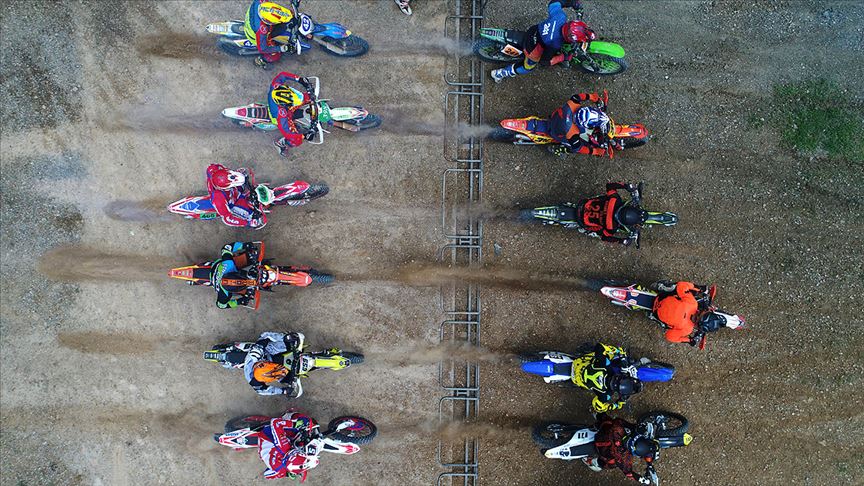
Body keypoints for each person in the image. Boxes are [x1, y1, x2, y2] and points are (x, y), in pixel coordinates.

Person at [491, 0, 593, 82]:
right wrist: (564, 57)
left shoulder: (560, 17)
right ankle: (500, 73)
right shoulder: (555, 43)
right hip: (532, 49)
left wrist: (573, 3)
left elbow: (554, 3)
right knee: (528, 67)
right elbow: (545, 61)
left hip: (533, 31)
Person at [582, 413, 659, 484]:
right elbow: (629, 473)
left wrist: (634, 427)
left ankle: (597, 413)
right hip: (601, 450)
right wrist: (642, 480)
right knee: (612, 464)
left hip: (602, 434)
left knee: (607, 420)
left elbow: (618, 420)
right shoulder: (624, 457)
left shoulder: (619, 429)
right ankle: (593, 462)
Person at [559, 182, 643, 245]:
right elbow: (605, 238)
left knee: (603, 199)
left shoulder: (615, 200)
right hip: (583, 222)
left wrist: (625, 186)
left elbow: (609, 185)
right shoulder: (611, 228)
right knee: (599, 232)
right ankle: (588, 232)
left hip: (584, 205)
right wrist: (621, 241)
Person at [571, 343, 645, 413]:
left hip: (578, 363)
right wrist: (616, 405)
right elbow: (598, 407)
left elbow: (599, 347)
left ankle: (584, 350)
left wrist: (619, 352)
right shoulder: (606, 395)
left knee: (608, 355)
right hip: (576, 380)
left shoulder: (606, 366)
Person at [244, 1, 312, 68]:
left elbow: (278, 11)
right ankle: (262, 60)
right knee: (275, 55)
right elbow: (263, 49)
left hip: (252, 17)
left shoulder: (260, 2)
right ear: (268, 22)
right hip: (252, 34)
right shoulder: (263, 29)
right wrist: (282, 48)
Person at [257, 411, 321, 480]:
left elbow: (275, 422)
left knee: (304, 421)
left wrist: (295, 424)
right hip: (263, 453)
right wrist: (286, 474)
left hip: (266, 436)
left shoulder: (284, 446)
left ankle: (287, 416)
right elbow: (266, 475)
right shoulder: (281, 472)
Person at [268, 71, 318, 156]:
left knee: (307, 97)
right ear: (284, 105)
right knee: (295, 141)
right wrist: (304, 136)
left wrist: (300, 80)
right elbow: (287, 132)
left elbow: (282, 75)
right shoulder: (282, 116)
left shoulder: (276, 87)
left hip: (279, 106)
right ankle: (283, 144)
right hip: (280, 116)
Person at [652, 281, 717, 346]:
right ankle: (652, 317)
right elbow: (669, 336)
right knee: (668, 326)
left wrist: (699, 288)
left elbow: (681, 286)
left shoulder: (693, 303)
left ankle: (663, 287)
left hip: (661, 298)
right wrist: (689, 340)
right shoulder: (687, 329)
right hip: (656, 314)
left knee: (683, 290)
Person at [548, 91, 613, 157]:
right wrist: (595, 151)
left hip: (555, 117)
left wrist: (592, 97)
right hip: (554, 133)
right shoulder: (572, 132)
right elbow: (579, 148)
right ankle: (560, 149)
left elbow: (578, 97)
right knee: (579, 145)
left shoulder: (572, 104)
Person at [206, 164, 267, 228]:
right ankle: (251, 220)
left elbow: (213, 167)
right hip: (233, 203)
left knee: (243, 182)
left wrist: (237, 173)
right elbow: (227, 219)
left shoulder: (213, 170)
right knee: (251, 215)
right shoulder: (218, 199)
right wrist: (247, 223)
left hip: (234, 192)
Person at [244, 331, 305, 397]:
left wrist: (284, 338)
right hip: (267, 361)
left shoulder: (255, 354)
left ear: (266, 363)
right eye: (274, 376)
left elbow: (265, 335)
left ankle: (288, 341)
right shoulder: (254, 382)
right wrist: (283, 391)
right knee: (287, 379)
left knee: (287, 344)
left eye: (276, 368)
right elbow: (262, 391)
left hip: (267, 353)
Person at [210, 241, 259, 309]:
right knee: (249, 292)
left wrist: (244, 245)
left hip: (218, 267)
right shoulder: (224, 294)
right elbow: (220, 305)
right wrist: (239, 302)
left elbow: (226, 248)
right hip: (219, 278)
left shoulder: (228, 265)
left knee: (249, 257)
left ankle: (247, 259)